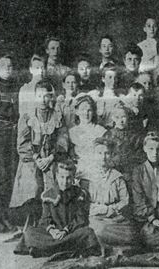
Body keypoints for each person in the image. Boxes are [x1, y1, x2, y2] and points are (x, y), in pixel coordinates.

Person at [10, 79, 68, 228]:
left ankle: (51, 223)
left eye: (46, 96)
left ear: (51, 97)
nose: (43, 100)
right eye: (39, 96)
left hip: (52, 159)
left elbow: (62, 140)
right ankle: (31, 225)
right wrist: (37, 158)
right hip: (31, 160)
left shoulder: (57, 116)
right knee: (33, 184)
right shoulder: (28, 117)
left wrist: (50, 157)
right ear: (35, 97)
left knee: (54, 183)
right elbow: (22, 144)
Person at [14, 160, 101, 258]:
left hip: (71, 233)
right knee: (29, 232)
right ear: (56, 176)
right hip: (53, 235)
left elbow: (80, 219)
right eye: (62, 177)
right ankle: (68, 249)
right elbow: (45, 219)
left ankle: (50, 250)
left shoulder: (80, 194)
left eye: (68, 178)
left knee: (88, 232)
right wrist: (52, 231)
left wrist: (65, 231)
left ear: (73, 178)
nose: (64, 182)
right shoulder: (48, 195)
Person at [88, 138, 139, 256]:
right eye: (99, 153)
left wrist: (111, 210)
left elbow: (124, 201)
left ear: (111, 155)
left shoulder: (117, 177)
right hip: (96, 218)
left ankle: (116, 249)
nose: (103, 157)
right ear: (94, 155)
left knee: (131, 234)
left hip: (116, 218)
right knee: (98, 231)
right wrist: (100, 209)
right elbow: (84, 202)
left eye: (106, 153)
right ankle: (108, 250)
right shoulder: (88, 177)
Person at [69, 95, 107, 181]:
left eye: (89, 110)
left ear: (93, 112)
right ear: (77, 111)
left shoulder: (100, 131)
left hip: (96, 170)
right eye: (82, 110)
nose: (86, 113)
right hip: (78, 170)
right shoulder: (72, 132)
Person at [103, 103, 145, 181]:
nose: (121, 120)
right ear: (113, 118)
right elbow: (105, 156)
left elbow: (139, 156)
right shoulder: (108, 135)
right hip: (113, 172)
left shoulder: (134, 136)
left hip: (131, 173)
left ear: (128, 118)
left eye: (123, 117)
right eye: (117, 117)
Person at [0, 54, 20, 123]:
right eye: (3, 65)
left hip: (15, 128)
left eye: (9, 66)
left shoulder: (18, 87)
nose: (6, 68)